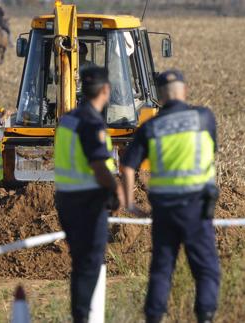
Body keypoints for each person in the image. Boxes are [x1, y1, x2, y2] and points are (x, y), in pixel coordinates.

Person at [121, 70, 219, 323]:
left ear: (160, 97)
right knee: (206, 268)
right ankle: (205, 317)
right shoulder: (204, 118)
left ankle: (154, 318)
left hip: (164, 209)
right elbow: (212, 150)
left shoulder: (151, 127)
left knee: (162, 269)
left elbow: (128, 166)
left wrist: (131, 204)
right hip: (197, 206)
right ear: (184, 91)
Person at [54, 66, 122, 323]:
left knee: (80, 264)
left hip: (65, 200)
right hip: (88, 203)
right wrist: (115, 192)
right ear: (106, 90)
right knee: (90, 264)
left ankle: (79, 315)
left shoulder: (68, 119)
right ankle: (81, 317)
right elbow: (98, 166)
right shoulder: (91, 123)